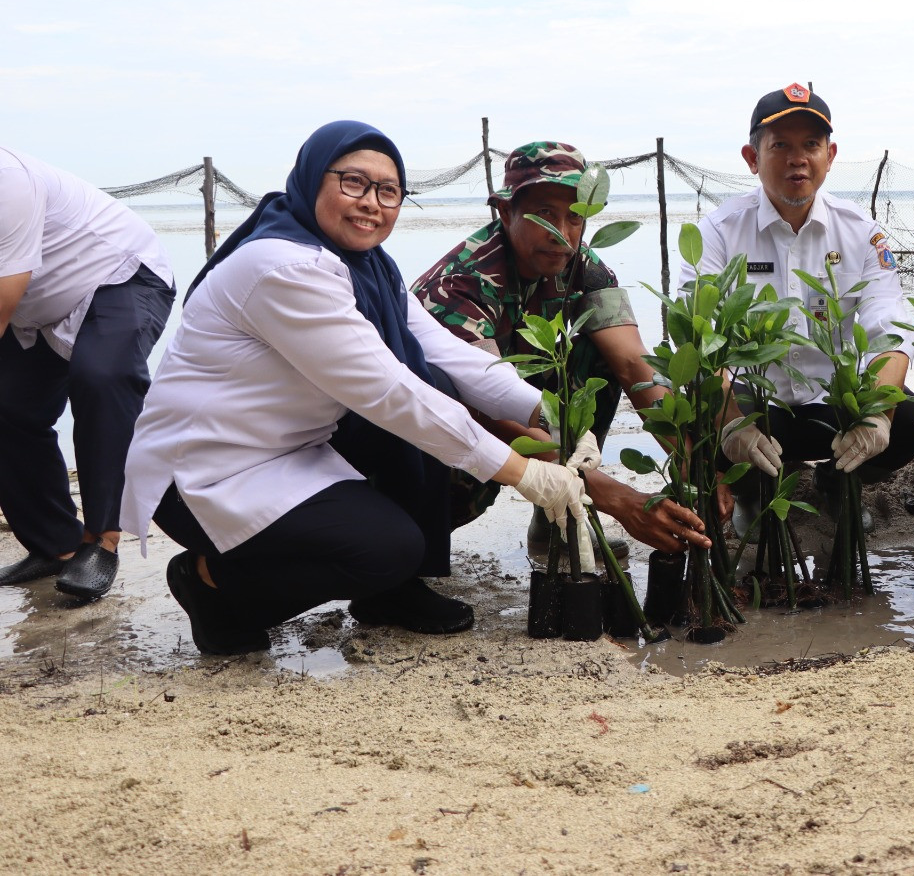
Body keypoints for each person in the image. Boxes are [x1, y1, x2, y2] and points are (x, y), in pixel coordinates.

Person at [120, 121, 702, 657]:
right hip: (205, 468)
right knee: (386, 544)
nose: (372, 203)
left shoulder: (370, 266)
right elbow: (393, 392)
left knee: (389, 538)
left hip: (293, 453)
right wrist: (531, 474)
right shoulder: (283, 268)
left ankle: (380, 585)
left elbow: (447, 359)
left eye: (389, 191)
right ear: (310, 179)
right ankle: (210, 585)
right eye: (354, 183)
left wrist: (548, 414)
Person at [412, 140, 710, 553]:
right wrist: (612, 495)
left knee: (600, 354)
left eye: (574, 218)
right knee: (465, 481)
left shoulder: (582, 265)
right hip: (452, 423)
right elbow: (481, 408)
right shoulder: (459, 285)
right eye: (544, 215)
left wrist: (692, 459)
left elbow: (632, 363)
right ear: (505, 212)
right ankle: (400, 555)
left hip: (526, 401)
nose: (562, 235)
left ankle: (560, 521)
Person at [683, 84, 914, 510]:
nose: (798, 158)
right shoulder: (717, 233)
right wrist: (731, 424)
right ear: (752, 158)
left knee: (906, 421)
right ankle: (751, 493)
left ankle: (836, 481)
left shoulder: (862, 233)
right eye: (781, 146)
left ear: (829, 156)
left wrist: (876, 417)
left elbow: (889, 328)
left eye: (811, 144)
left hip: (831, 403)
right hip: (753, 403)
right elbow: (698, 340)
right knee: (695, 415)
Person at [0, 145, 175, 602]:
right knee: (8, 405)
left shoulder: (7, 179)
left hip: (120, 274)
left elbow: (3, 298)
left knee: (101, 377)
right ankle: (55, 544)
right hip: (38, 305)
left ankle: (103, 537)